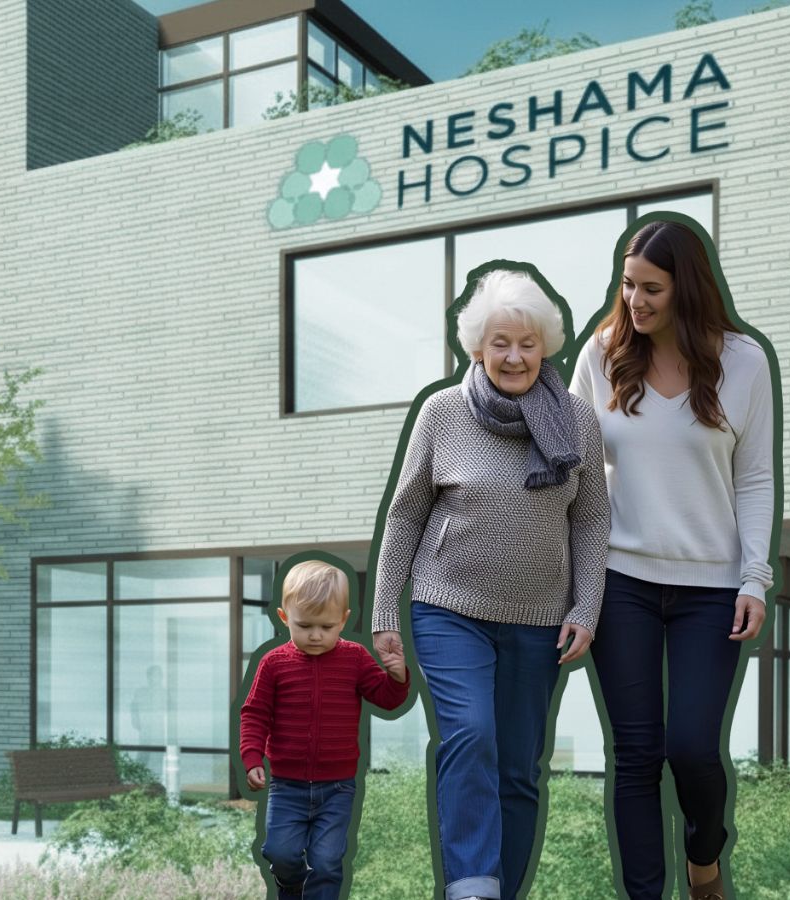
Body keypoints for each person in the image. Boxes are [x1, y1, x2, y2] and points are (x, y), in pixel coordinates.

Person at [371, 268, 610, 900]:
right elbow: (406, 512)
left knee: (518, 769)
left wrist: (587, 605)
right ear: (477, 347)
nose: (514, 356)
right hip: (448, 605)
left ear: (547, 347)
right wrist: (383, 616)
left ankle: (502, 888)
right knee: (471, 734)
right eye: (500, 342)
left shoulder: (576, 421)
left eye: (527, 343)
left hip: (539, 616)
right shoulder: (443, 412)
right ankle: (472, 886)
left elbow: (591, 518)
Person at [571, 219, 774, 900]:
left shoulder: (743, 363)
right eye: (627, 285)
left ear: (686, 287)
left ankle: (705, 857)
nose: (635, 300)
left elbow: (754, 479)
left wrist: (755, 577)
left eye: (651, 288)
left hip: (710, 589)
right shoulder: (601, 356)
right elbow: (570, 458)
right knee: (634, 755)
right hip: (620, 579)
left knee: (691, 747)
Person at [240, 559, 409, 900]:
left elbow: (387, 700)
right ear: (284, 617)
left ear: (344, 620)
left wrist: (397, 676)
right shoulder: (273, 663)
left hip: (337, 788)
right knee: (280, 853)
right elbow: (255, 712)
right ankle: (291, 884)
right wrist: (252, 757)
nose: (316, 635)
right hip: (287, 787)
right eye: (305, 626)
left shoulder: (356, 658)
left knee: (328, 860)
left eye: (327, 626)